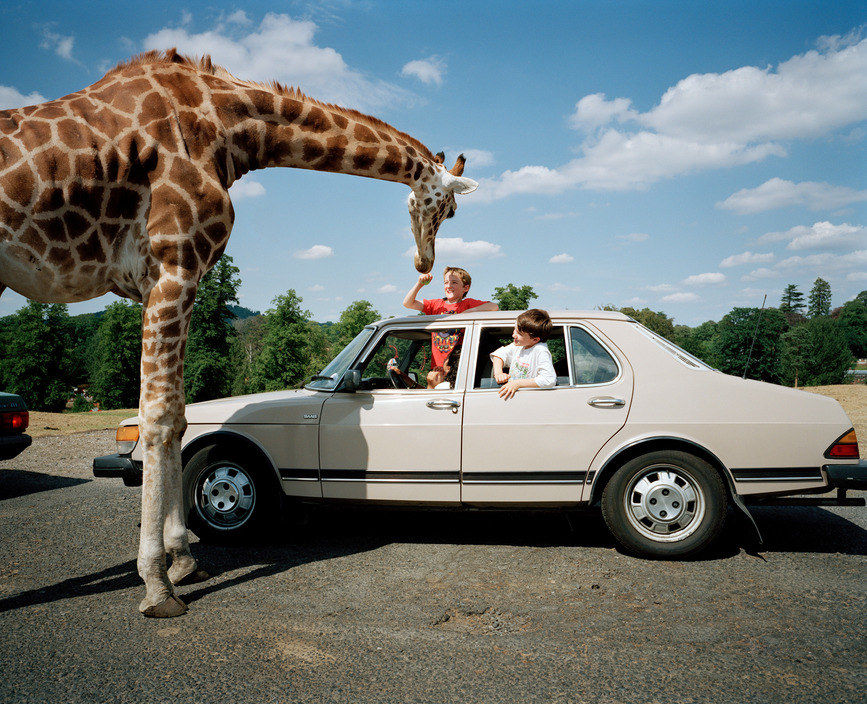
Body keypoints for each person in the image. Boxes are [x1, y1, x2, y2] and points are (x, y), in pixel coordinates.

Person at [403, 266, 498, 385]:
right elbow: (407, 303)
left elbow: (494, 306)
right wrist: (419, 284)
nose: (449, 286)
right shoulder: (436, 305)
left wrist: (469, 312)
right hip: (437, 369)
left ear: (465, 287)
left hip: (459, 369)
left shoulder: (467, 304)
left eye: (454, 282)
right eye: (446, 282)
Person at [491, 309, 556, 399]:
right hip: (516, 397)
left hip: (529, 398)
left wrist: (517, 383)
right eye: (515, 330)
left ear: (535, 339)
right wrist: (498, 373)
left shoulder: (540, 351)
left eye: (519, 333)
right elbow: (498, 355)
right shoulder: (518, 346)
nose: (514, 335)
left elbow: (548, 380)